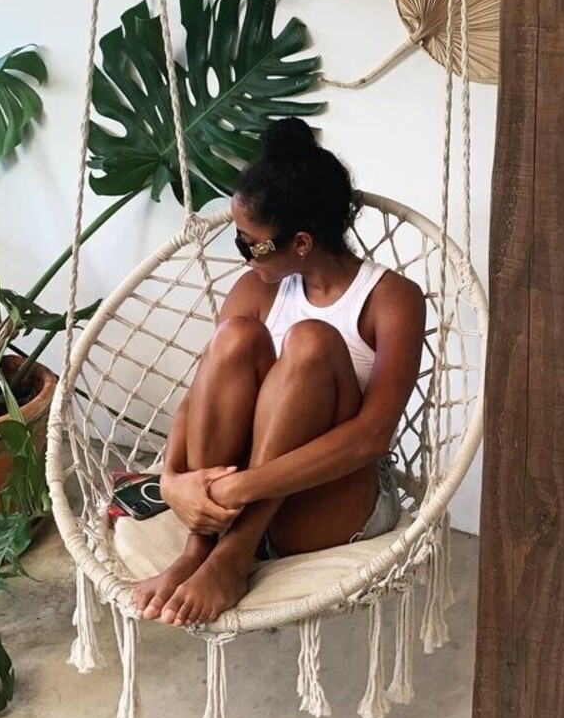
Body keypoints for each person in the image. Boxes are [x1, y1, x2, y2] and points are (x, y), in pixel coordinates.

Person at [132, 117, 426, 627]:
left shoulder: (391, 298)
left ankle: (233, 557)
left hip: (329, 505)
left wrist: (244, 488)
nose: (244, 256)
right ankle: (199, 551)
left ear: (303, 242)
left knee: (311, 342)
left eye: (252, 244)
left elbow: (372, 437)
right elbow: (200, 397)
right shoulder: (257, 288)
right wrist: (174, 480)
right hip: (230, 505)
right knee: (234, 337)